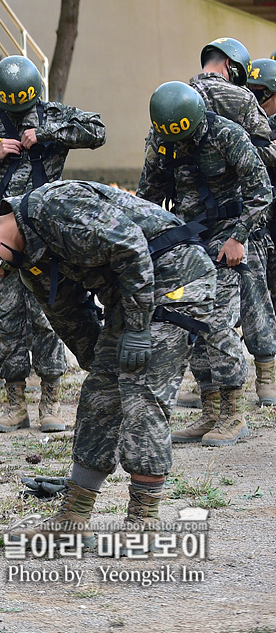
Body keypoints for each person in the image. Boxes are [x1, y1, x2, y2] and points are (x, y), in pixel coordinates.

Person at [0, 180, 219, 551]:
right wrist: (99, 361)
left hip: (175, 278)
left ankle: (144, 520)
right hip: (133, 296)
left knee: (141, 393)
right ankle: (74, 517)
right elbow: (67, 314)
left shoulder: (57, 208)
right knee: (101, 397)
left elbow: (130, 246)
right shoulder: (32, 262)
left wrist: (135, 329)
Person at [0, 55, 106, 434]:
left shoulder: (55, 115)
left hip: (44, 238)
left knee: (47, 316)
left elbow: (98, 131)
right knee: (7, 319)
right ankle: (14, 401)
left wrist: (48, 135)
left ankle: (51, 401)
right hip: (1, 239)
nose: (20, 113)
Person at [137, 82, 271, 447]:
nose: (180, 143)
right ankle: (210, 411)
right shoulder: (162, 140)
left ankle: (234, 412)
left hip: (227, 234)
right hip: (187, 238)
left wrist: (239, 237)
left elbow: (262, 192)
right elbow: (147, 195)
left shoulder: (227, 134)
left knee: (216, 320)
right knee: (188, 319)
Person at [181, 38, 276, 409]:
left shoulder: (178, 96)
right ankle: (263, 378)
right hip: (242, 217)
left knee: (202, 308)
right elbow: (267, 151)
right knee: (252, 299)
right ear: (235, 69)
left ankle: (214, 390)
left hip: (193, 223)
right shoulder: (240, 101)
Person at [248, 56, 276, 405]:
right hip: (258, 225)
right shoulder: (251, 123)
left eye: (262, 94)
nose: (255, 100)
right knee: (256, 301)